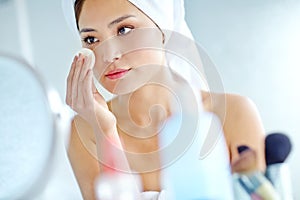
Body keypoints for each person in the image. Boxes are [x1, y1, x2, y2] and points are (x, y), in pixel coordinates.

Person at [64, 0, 266, 199]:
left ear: (163, 29)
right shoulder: (86, 131)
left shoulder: (233, 114)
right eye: (91, 39)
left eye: (124, 30)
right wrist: (105, 131)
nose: (108, 55)